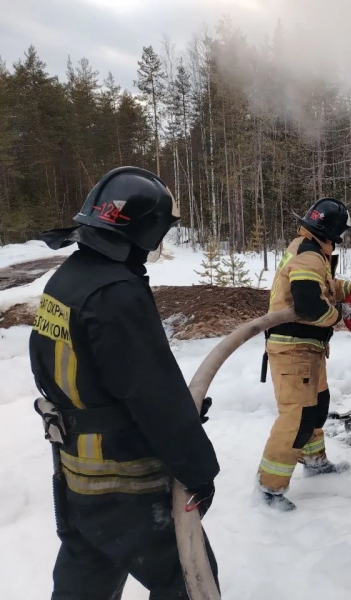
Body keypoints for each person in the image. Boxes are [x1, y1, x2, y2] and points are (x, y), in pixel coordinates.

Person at [29, 166, 220, 599]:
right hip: (126, 482)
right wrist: (198, 470)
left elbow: (77, 375)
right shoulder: (116, 293)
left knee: (86, 584)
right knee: (190, 581)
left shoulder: (67, 281)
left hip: (79, 477)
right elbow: (151, 393)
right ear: (146, 230)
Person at [258, 197, 351, 511]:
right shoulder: (308, 257)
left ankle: (314, 460)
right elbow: (310, 305)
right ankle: (269, 489)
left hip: (308, 349)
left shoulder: (311, 251)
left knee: (316, 408)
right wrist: (341, 314)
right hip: (294, 349)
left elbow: (327, 287)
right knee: (297, 417)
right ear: (332, 232)